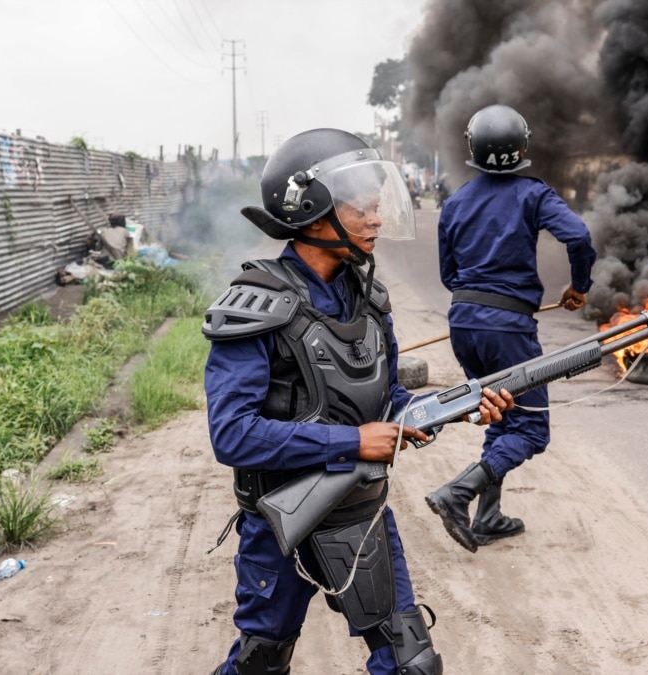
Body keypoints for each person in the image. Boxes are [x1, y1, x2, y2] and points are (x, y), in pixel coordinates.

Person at [203, 128, 512, 675]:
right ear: (312, 212)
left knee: (411, 664)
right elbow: (233, 435)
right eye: (363, 209)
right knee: (261, 662)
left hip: (362, 515)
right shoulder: (254, 308)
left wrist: (450, 406)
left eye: (377, 207)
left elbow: (386, 396)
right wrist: (352, 441)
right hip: (279, 527)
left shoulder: (368, 296)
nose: (377, 220)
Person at [428, 104, 597, 553]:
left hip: (464, 320)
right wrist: (579, 286)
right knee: (530, 430)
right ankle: (458, 494)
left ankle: (487, 516)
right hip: (508, 328)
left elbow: (449, 276)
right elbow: (578, 237)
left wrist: (478, 299)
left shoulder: (456, 202)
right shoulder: (533, 194)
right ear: (524, 146)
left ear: (472, 148)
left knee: (499, 410)